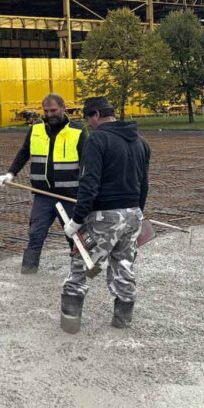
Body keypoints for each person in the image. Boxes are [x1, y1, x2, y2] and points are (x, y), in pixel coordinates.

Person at [59, 96, 151, 334]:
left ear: (97, 115)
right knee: (123, 265)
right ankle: (123, 318)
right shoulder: (140, 142)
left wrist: (76, 221)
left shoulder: (97, 139)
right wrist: (138, 214)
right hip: (133, 214)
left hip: (104, 217)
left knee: (81, 265)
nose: (87, 123)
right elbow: (144, 185)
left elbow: (89, 184)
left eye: (88, 118)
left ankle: (70, 321)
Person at [0, 93, 85, 274]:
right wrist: (10, 174)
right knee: (35, 234)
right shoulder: (36, 128)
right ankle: (28, 271)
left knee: (73, 235)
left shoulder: (78, 130)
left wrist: (87, 191)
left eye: (53, 110)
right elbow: (24, 152)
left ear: (63, 108)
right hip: (43, 195)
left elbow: (87, 162)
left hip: (69, 195)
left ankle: (79, 271)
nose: (49, 114)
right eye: (46, 110)